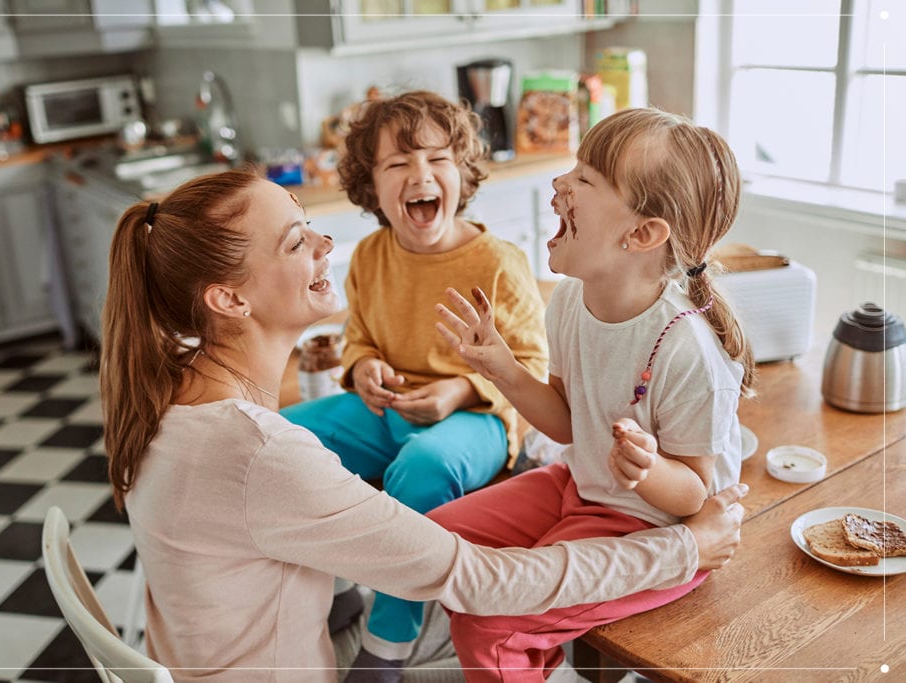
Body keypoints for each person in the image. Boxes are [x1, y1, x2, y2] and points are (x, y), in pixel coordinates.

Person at [100, 168, 748, 682]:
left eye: (309, 225)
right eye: (297, 241)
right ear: (230, 299)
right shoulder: (263, 453)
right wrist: (686, 547)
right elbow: (485, 581)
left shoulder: (168, 387)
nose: (326, 243)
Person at [434, 107, 757, 681]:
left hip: (652, 525)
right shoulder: (568, 300)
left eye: (585, 179)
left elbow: (689, 496)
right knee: (434, 542)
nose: (560, 184)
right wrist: (504, 370)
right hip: (580, 483)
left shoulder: (686, 350)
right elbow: (564, 424)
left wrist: (647, 467)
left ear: (641, 234)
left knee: (490, 621)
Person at [280, 90, 549, 676]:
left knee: (422, 469)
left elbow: (530, 367)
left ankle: (388, 641)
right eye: (397, 164)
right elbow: (361, 336)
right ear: (370, 186)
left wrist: (458, 390)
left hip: (477, 418)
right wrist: (362, 367)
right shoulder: (372, 254)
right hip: (384, 410)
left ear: (463, 173)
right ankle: (336, 588)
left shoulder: (498, 262)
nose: (420, 175)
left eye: (438, 159)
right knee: (280, 441)